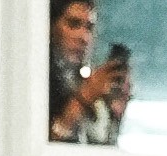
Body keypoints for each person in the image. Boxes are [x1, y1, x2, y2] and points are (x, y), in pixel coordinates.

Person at [47, 0, 131, 142]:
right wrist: (84, 98)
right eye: (74, 24)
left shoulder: (84, 81)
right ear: (51, 26)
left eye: (89, 28)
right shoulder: (39, 80)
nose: (84, 38)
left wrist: (114, 114)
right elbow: (41, 145)